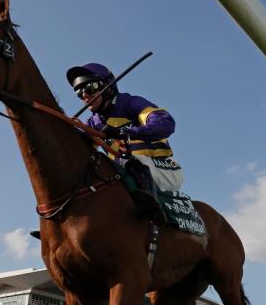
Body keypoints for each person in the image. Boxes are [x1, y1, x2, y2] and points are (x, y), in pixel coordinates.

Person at [67, 62, 182, 226]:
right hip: (126, 173)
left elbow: (166, 123)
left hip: (164, 169)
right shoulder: (93, 123)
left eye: (90, 87)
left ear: (107, 87)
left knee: (131, 162)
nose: (85, 95)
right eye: (79, 92)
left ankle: (154, 212)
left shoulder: (130, 103)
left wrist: (125, 132)